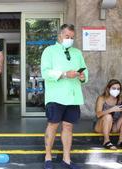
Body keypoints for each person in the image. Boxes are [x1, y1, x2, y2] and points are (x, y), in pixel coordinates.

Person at [41, 24, 88, 169]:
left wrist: (81, 76)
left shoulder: (77, 53)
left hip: (73, 96)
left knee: (68, 127)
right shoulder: (49, 51)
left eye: (72, 37)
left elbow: (85, 74)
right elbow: (45, 73)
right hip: (55, 96)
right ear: (60, 35)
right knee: (53, 125)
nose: (70, 39)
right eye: (67, 36)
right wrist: (64, 74)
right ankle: (48, 156)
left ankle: (67, 158)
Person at [94, 79, 122, 149]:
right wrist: (111, 109)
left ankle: (121, 141)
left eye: (118, 89)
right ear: (108, 88)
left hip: (114, 126)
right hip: (101, 125)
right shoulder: (101, 98)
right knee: (108, 116)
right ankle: (106, 141)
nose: (116, 90)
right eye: (114, 88)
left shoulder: (120, 99)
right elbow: (98, 114)